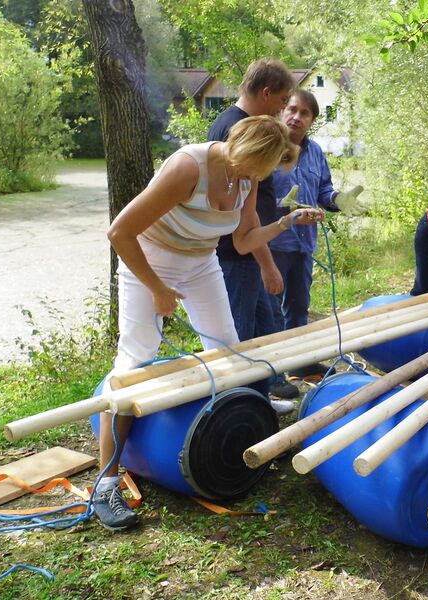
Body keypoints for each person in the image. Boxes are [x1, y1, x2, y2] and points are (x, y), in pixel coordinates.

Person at [96, 116, 324, 531]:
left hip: (202, 264)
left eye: (257, 174)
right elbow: (120, 232)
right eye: (248, 170)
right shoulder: (188, 167)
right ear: (237, 147)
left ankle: (231, 437)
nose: (249, 179)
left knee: (227, 351)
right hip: (149, 262)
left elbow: (243, 240)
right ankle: (107, 483)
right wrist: (158, 288)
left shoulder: (248, 176)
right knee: (134, 362)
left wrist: (287, 223)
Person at [207, 58, 300, 403]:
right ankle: (235, 409)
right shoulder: (238, 130)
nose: (281, 110)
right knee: (240, 340)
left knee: (264, 334)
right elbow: (241, 222)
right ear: (265, 93)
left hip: (250, 252)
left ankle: (259, 406)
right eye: (281, 101)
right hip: (238, 257)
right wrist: (267, 264)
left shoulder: (243, 124)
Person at [269, 89, 365, 379]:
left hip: (303, 245)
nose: (297, 117)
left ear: (312, 120)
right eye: (293, 110)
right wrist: (284, 211)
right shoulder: (268, 146)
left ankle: (299, 363)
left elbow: (323, 190)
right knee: (270, 310)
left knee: (298, 307)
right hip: (271, 242)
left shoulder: (316, 153)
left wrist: (338, 199)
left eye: (304, 113)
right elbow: (253, 200)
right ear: (283, 110)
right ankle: (271, 375)